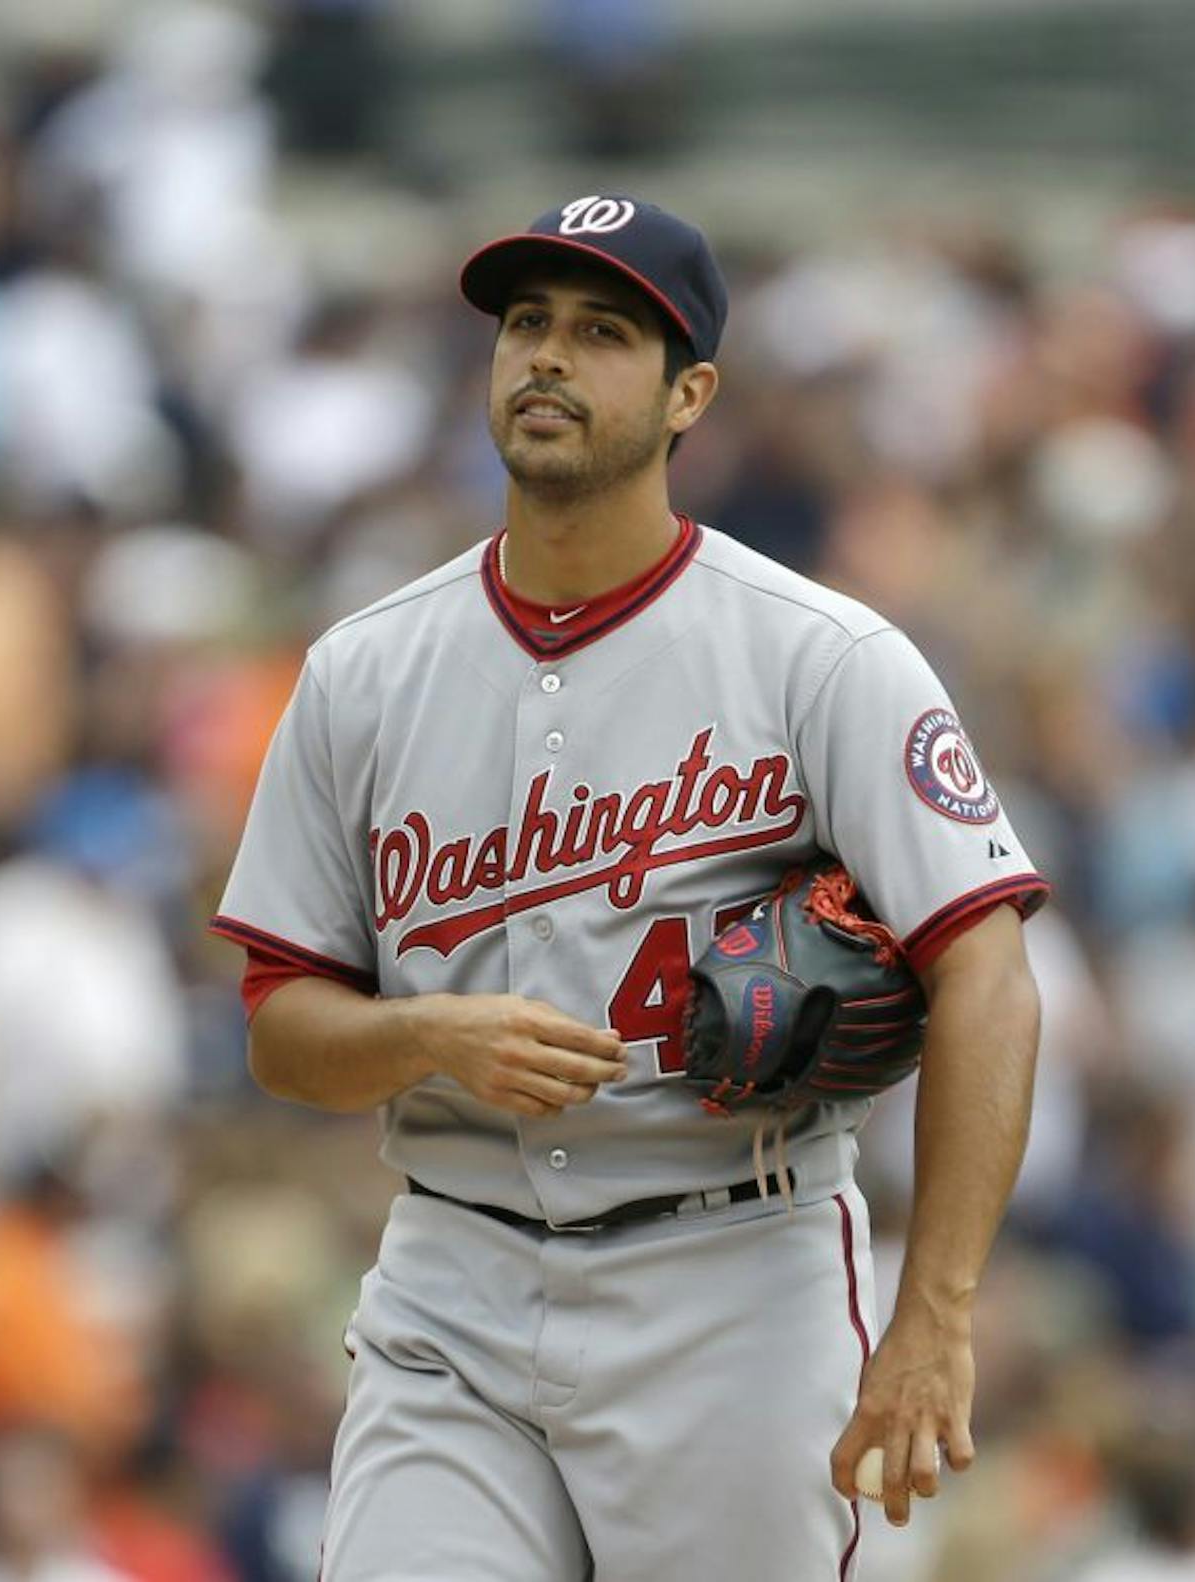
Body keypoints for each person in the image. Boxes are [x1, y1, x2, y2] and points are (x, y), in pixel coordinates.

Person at [211, 194, 1048, 1579]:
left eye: (601, 333)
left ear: (687, 395)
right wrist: (422, 1033)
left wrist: (936, 1310)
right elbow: (281, 1028)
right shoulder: (364, 669)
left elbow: (989, 974)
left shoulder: (820, 656)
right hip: (454, 1276)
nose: (547, 357)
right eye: (526, 324)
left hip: (730, 1274)